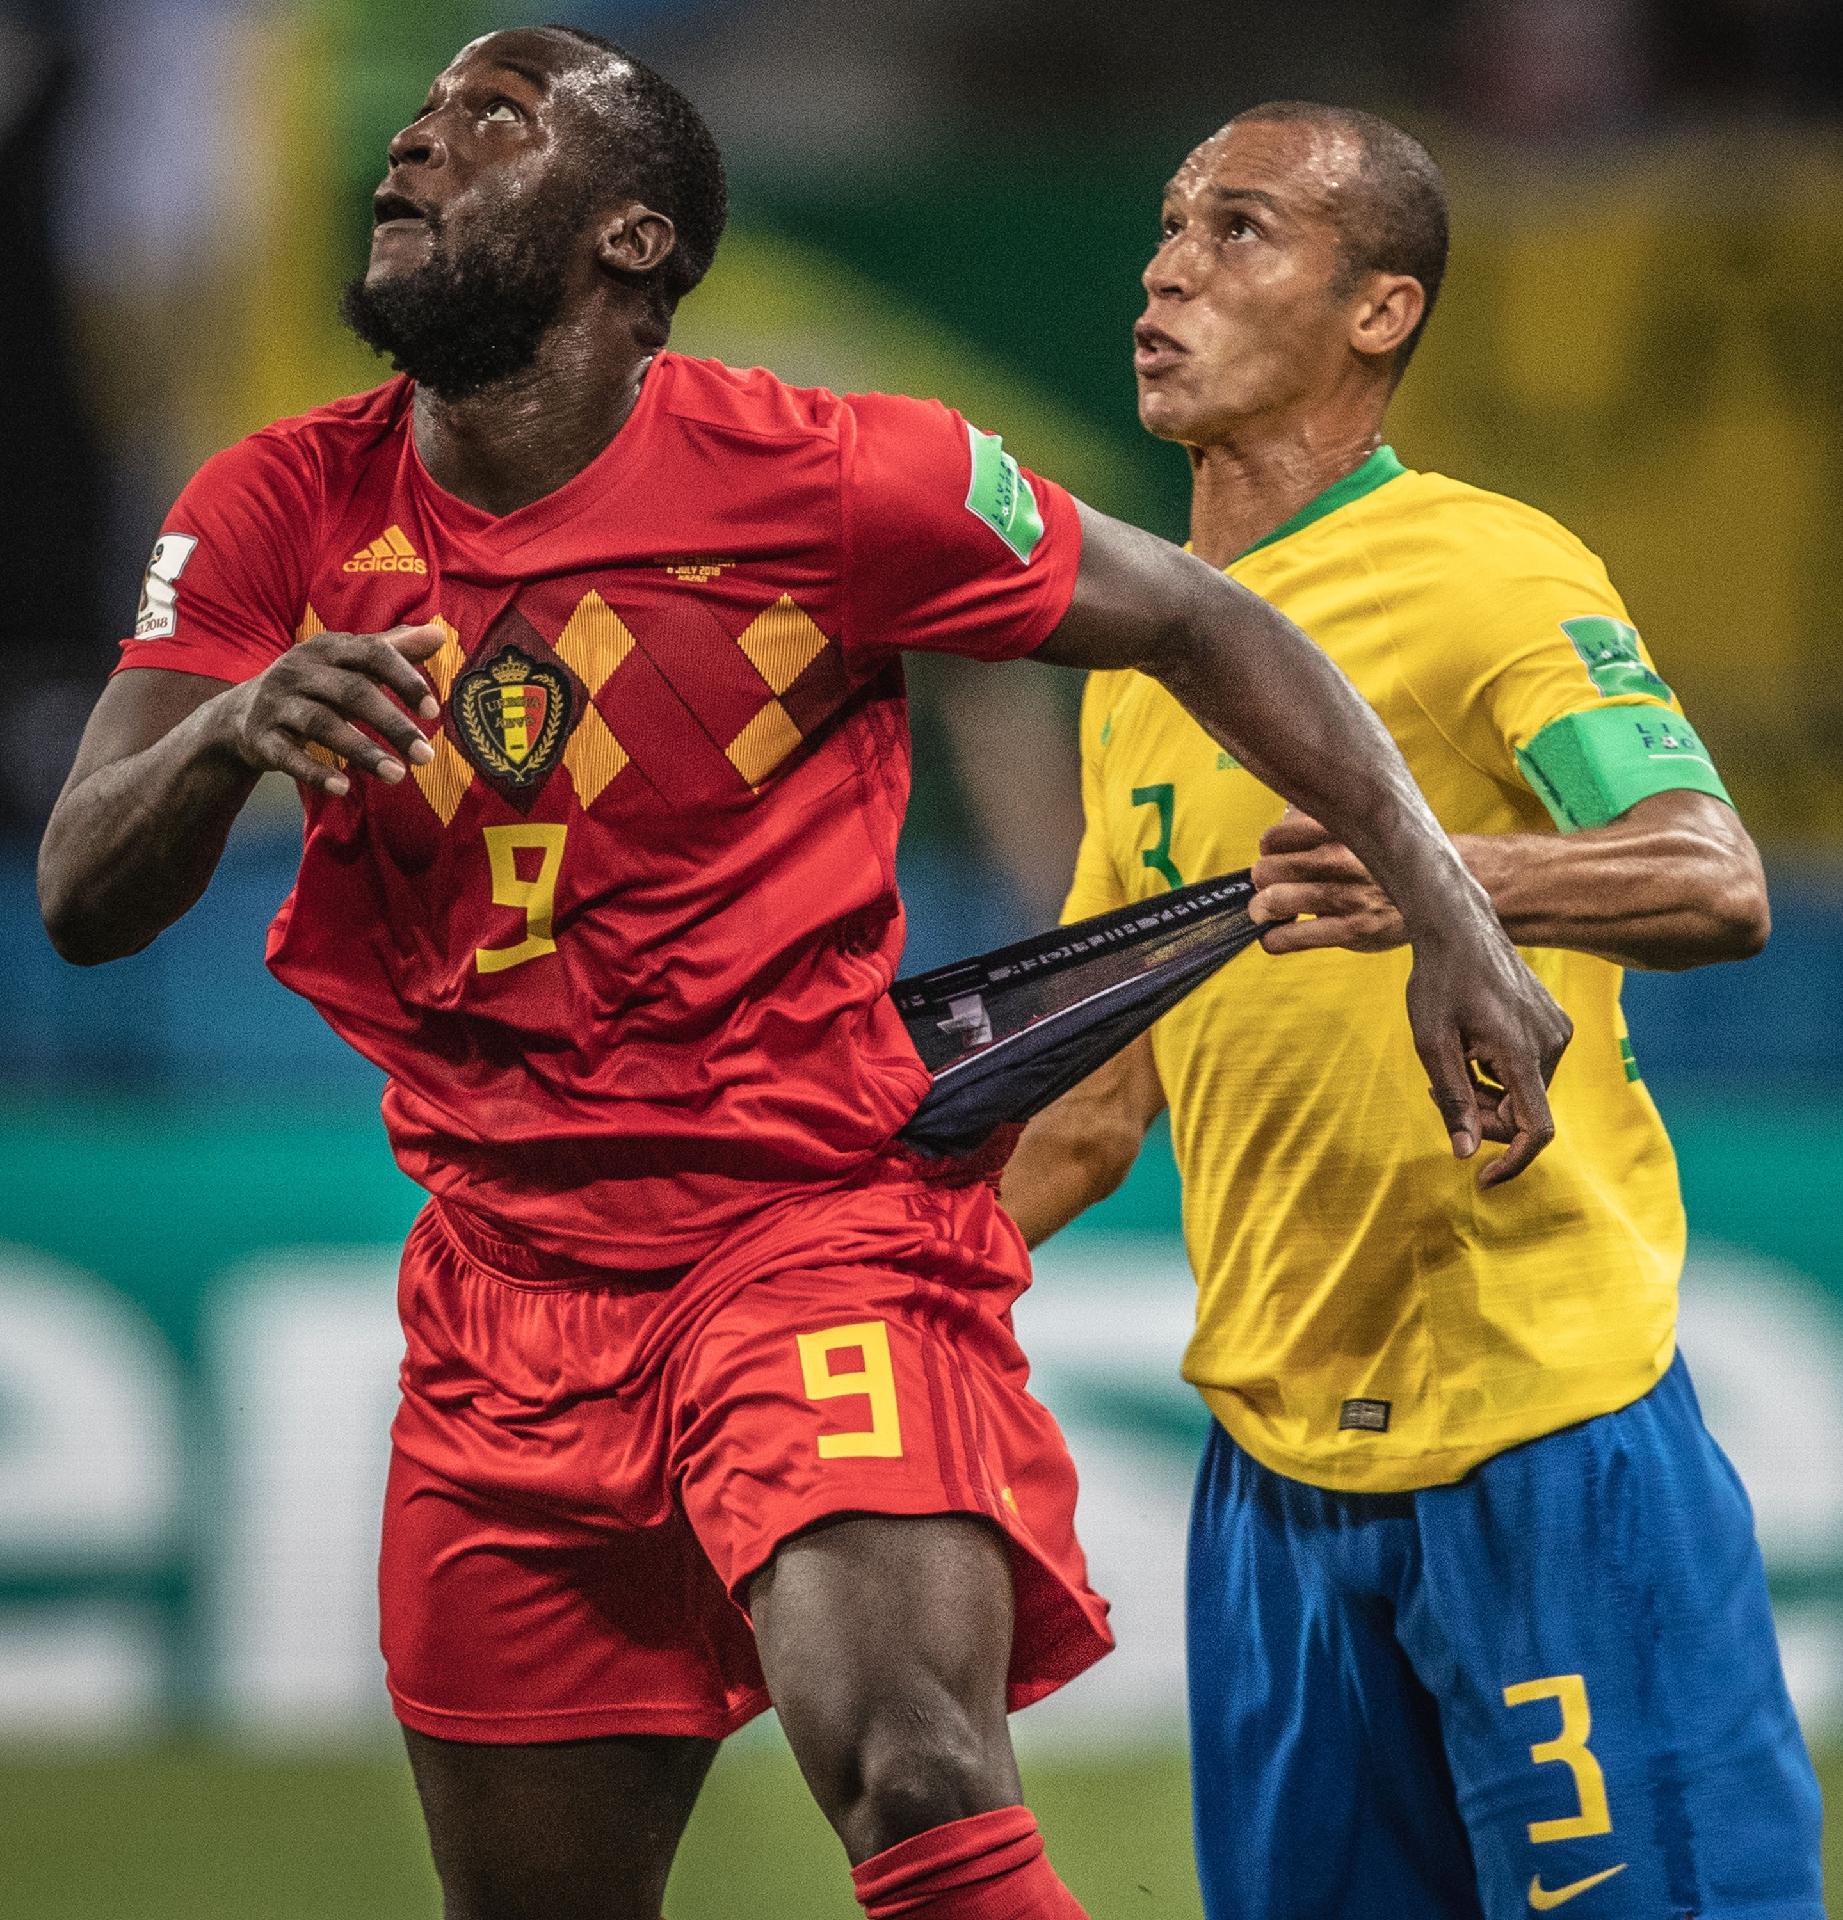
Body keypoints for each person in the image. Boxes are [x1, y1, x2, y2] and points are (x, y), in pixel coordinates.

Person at [37, 35, 1566, 1920]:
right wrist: (222, 739)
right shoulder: (280, 508)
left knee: (915, 1768)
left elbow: (1206, 621)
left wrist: (1452, 911)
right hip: (504, 1311)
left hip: (807, 1237)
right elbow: (83, 894)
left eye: (497, 116)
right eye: (422, 111)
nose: (420, 137)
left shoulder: (837, 477)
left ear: (631, 237)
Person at [1001, 102, 1822, 1920]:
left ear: (1382, 313)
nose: (1164, 268)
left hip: (1543, 1444)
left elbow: (1713, 874)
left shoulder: (1489, 571)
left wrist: (1443, 876)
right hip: (1278, 1479)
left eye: (1240, 230)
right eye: (1164, 226)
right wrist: (837, 1282)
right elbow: (1089, 1102)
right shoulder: (1144, 664)